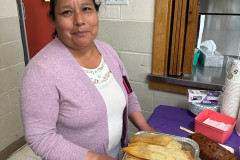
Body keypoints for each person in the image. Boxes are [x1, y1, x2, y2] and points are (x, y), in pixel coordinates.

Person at [20, 0, 156, 160]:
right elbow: (40, 137)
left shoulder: (108, 51)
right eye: (67, 12)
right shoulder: (41, 71)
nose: (79, 20)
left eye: (86, 9)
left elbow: (129, 93)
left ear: (96, 13)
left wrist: (144, 127)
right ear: (52, 19)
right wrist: (93, 158)